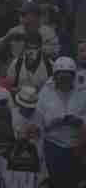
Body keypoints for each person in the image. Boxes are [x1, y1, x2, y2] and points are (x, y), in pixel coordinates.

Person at [38, 57, 86, 188]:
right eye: (61, 77)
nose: (64, 80)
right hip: (53, 146)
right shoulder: (46, 92)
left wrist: (80, 121)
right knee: (56, 182)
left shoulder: (82, 90)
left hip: (78, 146)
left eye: (68, 77)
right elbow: (38, 120)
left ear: (73, 76)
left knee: (76, 182)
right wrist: (52, 122)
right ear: (55, 76)